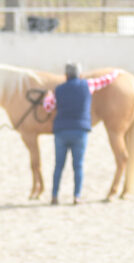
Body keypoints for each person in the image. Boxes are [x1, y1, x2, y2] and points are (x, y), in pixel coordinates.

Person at [43, 62, 118, 205]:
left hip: (61, 131)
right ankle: (76, 196)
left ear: (66, 76)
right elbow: (106, 80)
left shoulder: (58, 89)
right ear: (80, 75)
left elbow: (48, 107)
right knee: (78, 166)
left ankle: (54, 196)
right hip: (80, 131)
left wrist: (47, 96)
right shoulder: (87, 85)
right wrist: (116, 73)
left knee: (58, 166)